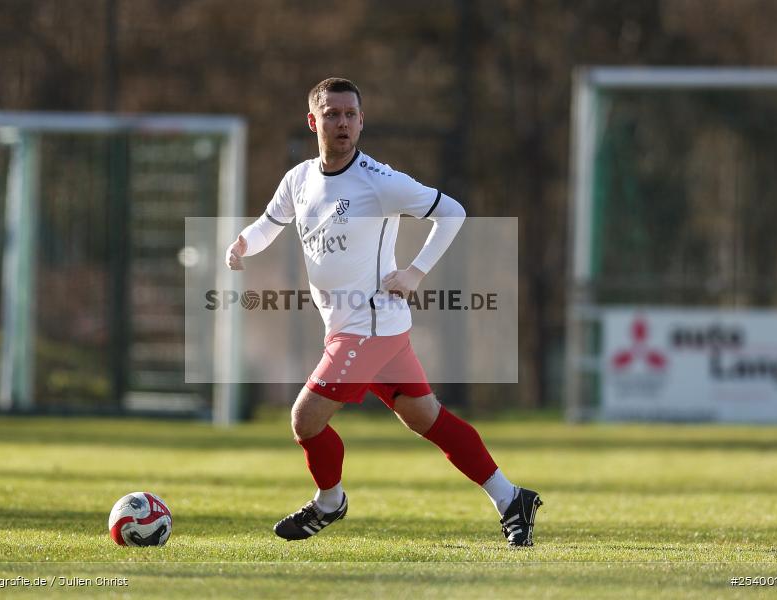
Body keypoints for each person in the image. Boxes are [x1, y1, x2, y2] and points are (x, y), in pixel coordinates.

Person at [225, 77, 541, 547]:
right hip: (355, 327)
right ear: (313, 121)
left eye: (351, 114)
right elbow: (272, 223)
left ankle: (330, 503)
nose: (343, 123)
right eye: (332, 114)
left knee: (305, 420)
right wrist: (244, 243)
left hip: (367, 329)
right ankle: (511, 497)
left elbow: (452, 212)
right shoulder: (300, 179)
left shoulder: (379, 180)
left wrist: (414, 272)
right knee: (426, 418)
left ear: (361, 121)